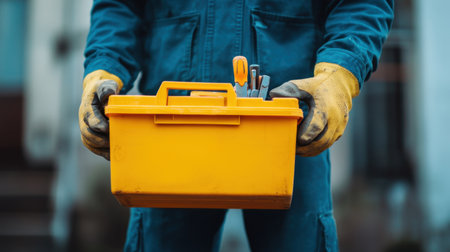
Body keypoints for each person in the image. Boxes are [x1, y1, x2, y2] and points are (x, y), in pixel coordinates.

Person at [79, 1, 394, 251]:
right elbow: (120, 6)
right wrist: (104, 70)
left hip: (288, 129)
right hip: (171, 132)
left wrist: (338, 75)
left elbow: (359, 3)